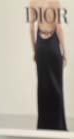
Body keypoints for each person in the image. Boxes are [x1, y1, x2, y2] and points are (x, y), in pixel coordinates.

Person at [29, 0, 68, 130]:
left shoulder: (33, 2)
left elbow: (31, 29)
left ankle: (43, 126)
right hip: (52, 45)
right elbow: (59, 27)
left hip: (40, 46)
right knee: (57, 86)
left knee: (43, 86)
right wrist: (64, 51)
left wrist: (34, 50)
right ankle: (58, 126)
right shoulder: (54, 2)